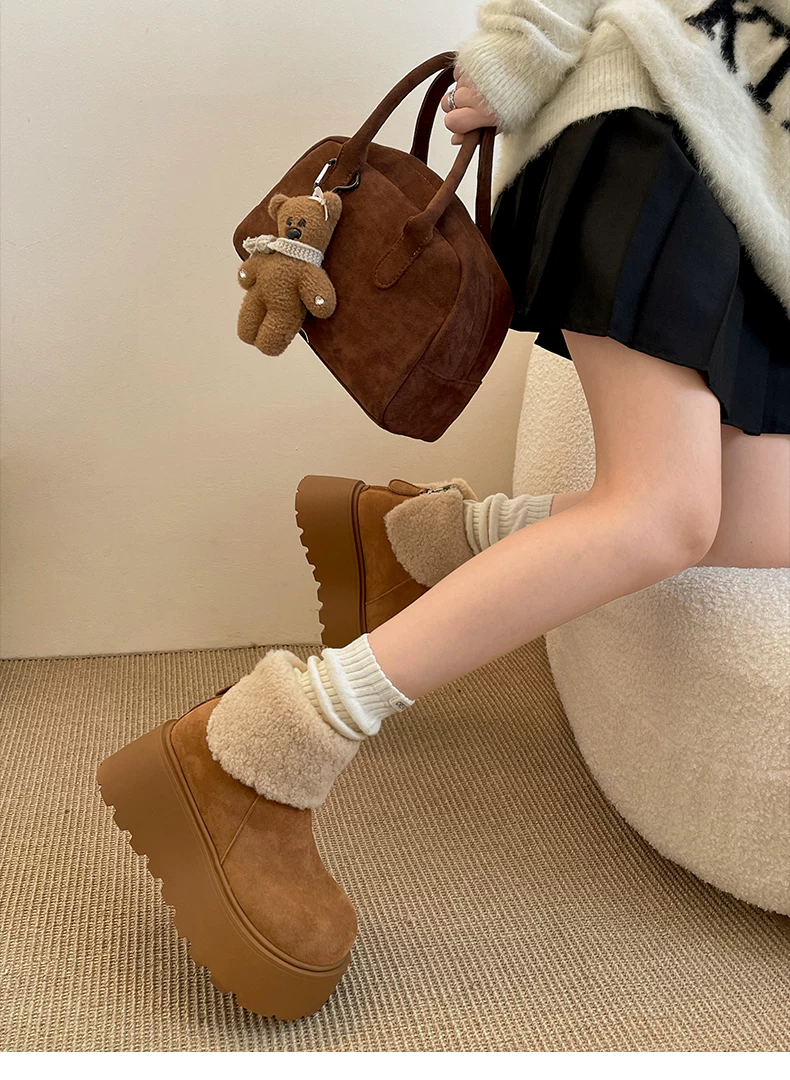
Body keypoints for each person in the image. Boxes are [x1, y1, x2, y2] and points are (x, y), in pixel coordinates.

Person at [98, 0, 790, 1020]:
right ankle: (261, 751)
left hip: (748, 212)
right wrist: (513, 57)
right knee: (663, 512)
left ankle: (419, 543)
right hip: (651, 133)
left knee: (766, 516)